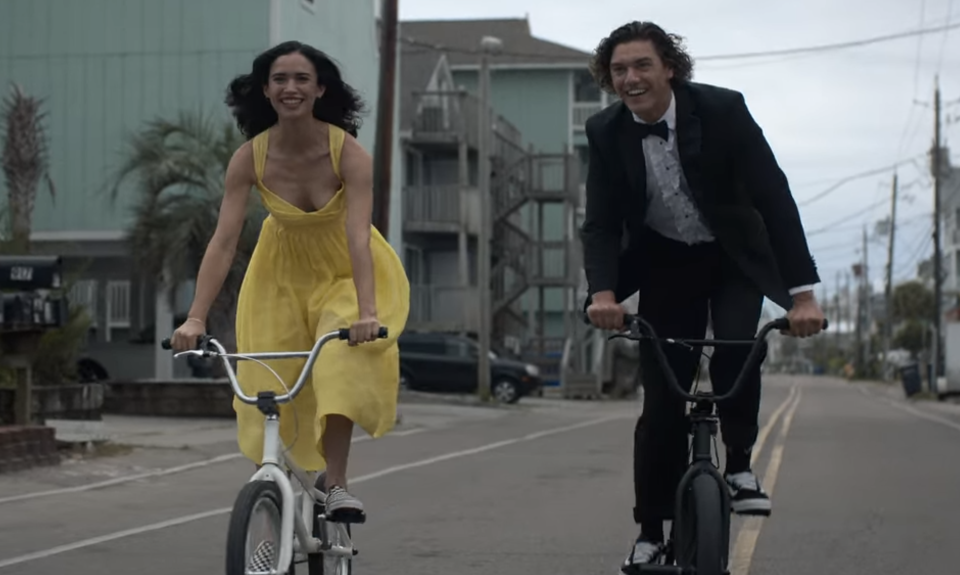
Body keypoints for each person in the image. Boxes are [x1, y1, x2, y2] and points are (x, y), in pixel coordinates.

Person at [578, 22, 825, 571]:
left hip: (732, 255)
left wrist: (801, 296)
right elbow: (599, 223)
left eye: (642, 65)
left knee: (739, 345)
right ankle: (648, 530)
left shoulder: (723, 111)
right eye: (619, 69)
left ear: (670, 67)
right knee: (662, 397)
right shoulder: (605, 131)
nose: (630, 78)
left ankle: (739, 463)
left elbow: (774, 197)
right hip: (665, 260)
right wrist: (604, 292)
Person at [169, 41, 410, 526]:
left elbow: (359, 239)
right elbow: (222, 243)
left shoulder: (350, 154)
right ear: (266, 90)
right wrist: (196, 316)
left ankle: (336, 484)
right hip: (279, 275)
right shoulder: (249, 159)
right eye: (280, 79)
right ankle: (275, 501)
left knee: (341, 361)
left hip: (346, 272)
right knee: (269, 381)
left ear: (320, 89)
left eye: (302, 78)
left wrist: (367, 312)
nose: (290, 88)